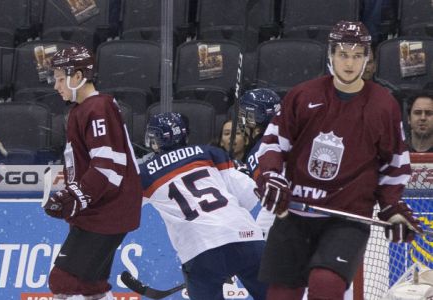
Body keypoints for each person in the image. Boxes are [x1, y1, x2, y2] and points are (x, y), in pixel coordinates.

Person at [255, 21, 421, 299]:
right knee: (281, 294)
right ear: (331, 55)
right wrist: (272, 176)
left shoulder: (383, 105)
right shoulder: (303, 95)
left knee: (326, 284)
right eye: (343, 54)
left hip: (347, 219)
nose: (349, 63)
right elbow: (273, 145)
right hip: (294, 215)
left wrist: (391, 205)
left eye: (357, 55)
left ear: (367, 58)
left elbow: (394, 163)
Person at [41, 45, 142, 300]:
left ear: (78, 76)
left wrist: (74, 197)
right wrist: (75, 196)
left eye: (61, 79)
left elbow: (106, 165)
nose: (56, 86)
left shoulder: (97, 108)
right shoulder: (83, 109)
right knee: (90, 285)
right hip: (100, 210)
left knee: (63, 280)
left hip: (105, 211)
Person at [139, 112, 267, 300]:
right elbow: (248, 195)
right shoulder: (209, 153)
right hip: (246, 237)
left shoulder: (144, 174)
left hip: (201, 249)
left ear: (154, 140)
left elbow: (122, 208)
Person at [237, 88, 282, 179]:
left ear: (257, 129)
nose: (241, 125)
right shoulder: (285, 140)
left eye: (243, 117)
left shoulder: (259, 153)